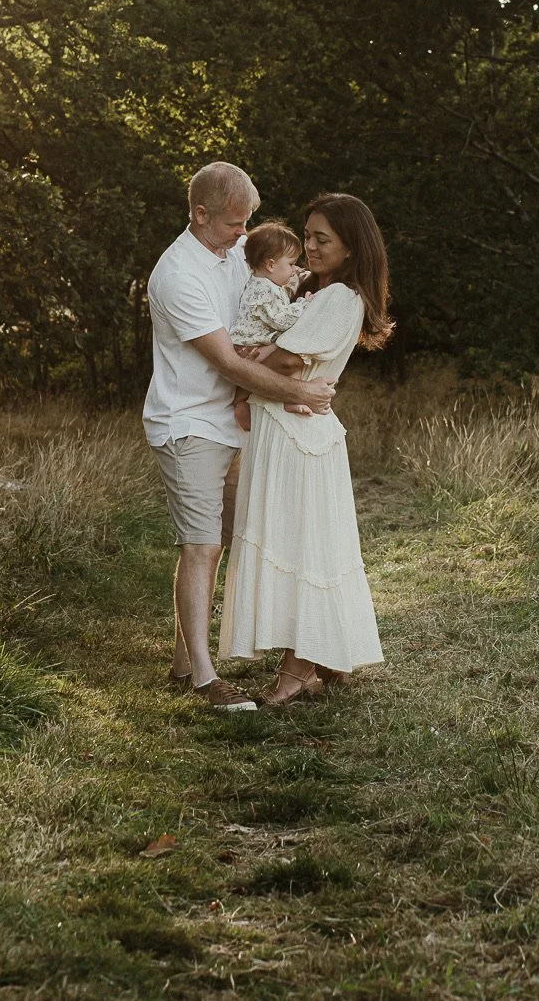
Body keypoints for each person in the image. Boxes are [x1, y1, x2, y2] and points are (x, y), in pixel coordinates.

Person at [145, 163, 337, 713]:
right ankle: (207, 681)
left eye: (247, 220)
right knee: (202, 544)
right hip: (188, 423)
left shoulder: (234, 251)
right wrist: (295, 391)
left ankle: (185, 661)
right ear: (199, 215)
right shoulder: (178, 275)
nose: (244, 231)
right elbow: (228, 361)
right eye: (234, 222)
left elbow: (268, 299)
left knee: (221, 541)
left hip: (232, 419)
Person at [219, 193, 392, 706]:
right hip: (288, 431)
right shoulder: (315, 295)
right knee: (304, 543)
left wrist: (248, 364)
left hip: (299, 439)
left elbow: (290, 364)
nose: (311, 247)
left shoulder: (341, 297)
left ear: (351, 247)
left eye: (323, 239)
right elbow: (281, 354)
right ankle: (326, 654)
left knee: (299, 547)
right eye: (309, 236)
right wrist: (264, 356)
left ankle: (299, 668)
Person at [229, 222, 314, 422]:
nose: (294, 270)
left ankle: (242, 404)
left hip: (251, 343)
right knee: (293, 355)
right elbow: (282, 320)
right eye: (291, 264)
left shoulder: (263, 283)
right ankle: (291, 397)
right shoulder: (264, 289)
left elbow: (281, 298)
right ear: (270, 264)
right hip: (251, 345)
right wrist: (305, 304)